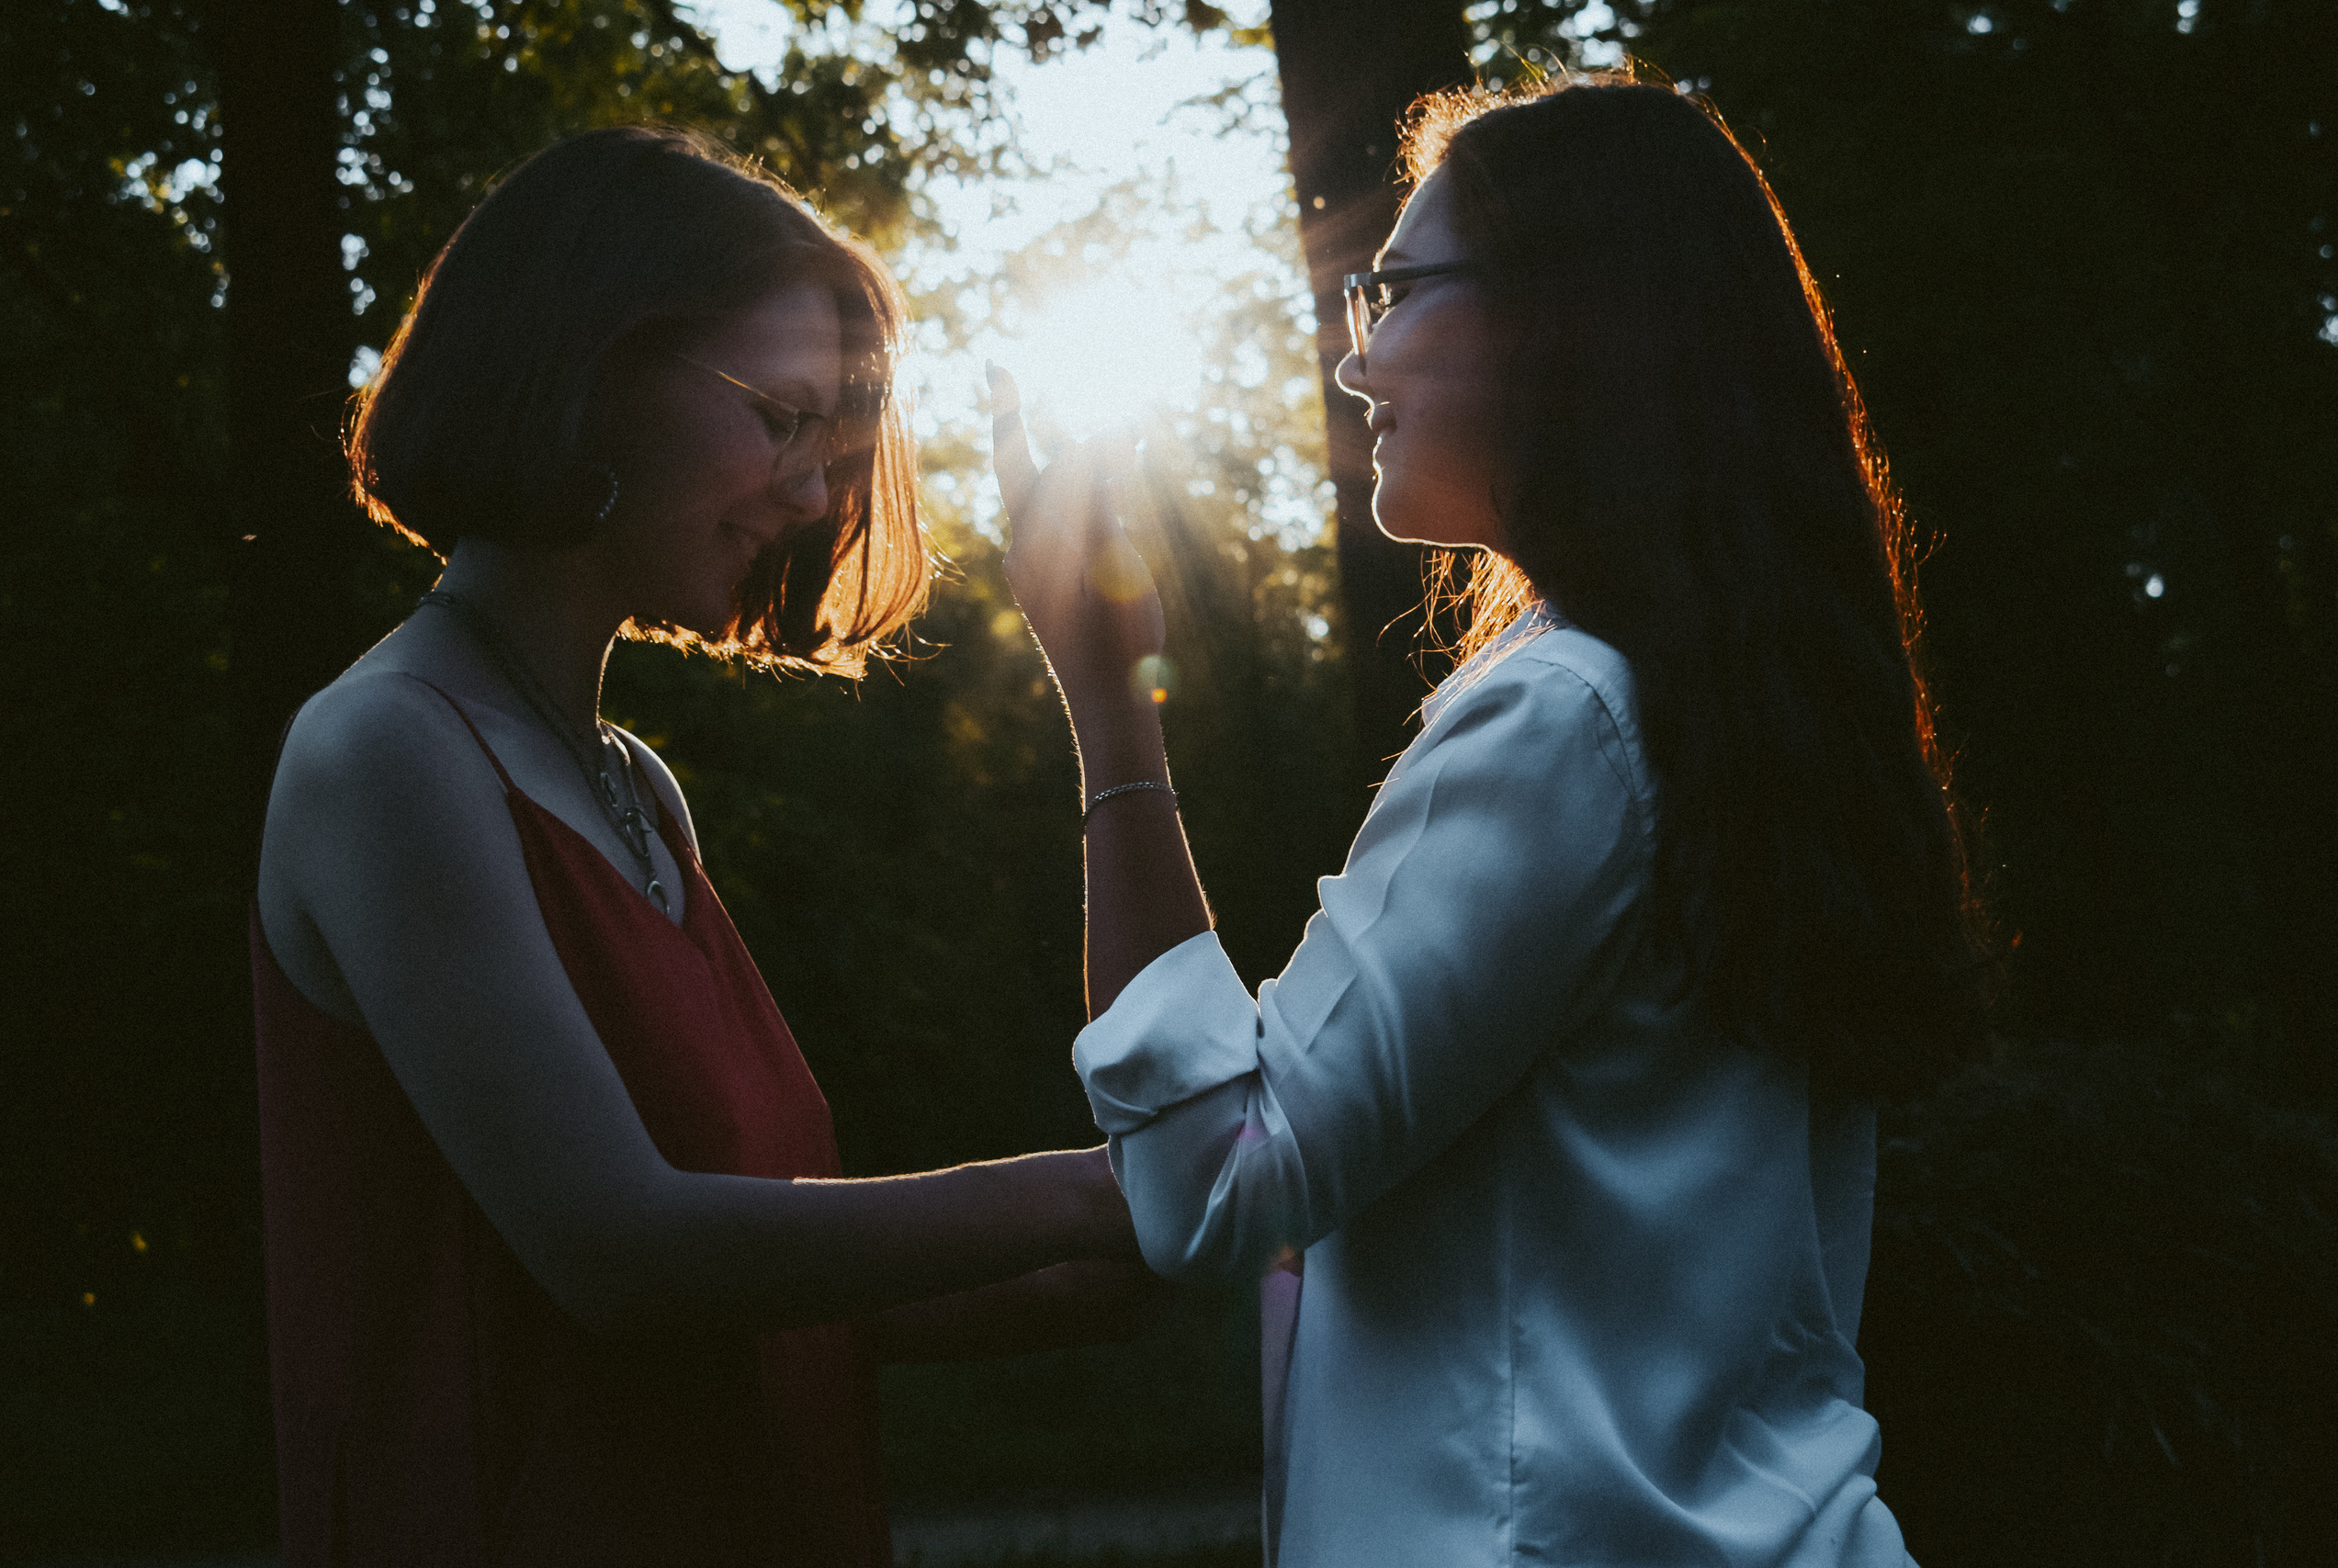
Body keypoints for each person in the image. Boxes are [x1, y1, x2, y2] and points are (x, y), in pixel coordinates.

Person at [992, 73, 1990, 1567]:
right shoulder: (1725, 712)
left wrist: (1105, 694)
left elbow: (1217, 1184)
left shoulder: (1566, 717)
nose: (1358, 359)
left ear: (1560, 319)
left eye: (1395, 291)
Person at [252, 126, 1142, 1568]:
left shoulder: (635, 787)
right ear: (593, 368)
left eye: (825, 441)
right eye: (780, 418)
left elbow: (746, 1282)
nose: (812, 495)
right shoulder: (388, 752)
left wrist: (1080, 1271)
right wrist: (1085, 1193)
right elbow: (622, 1253)